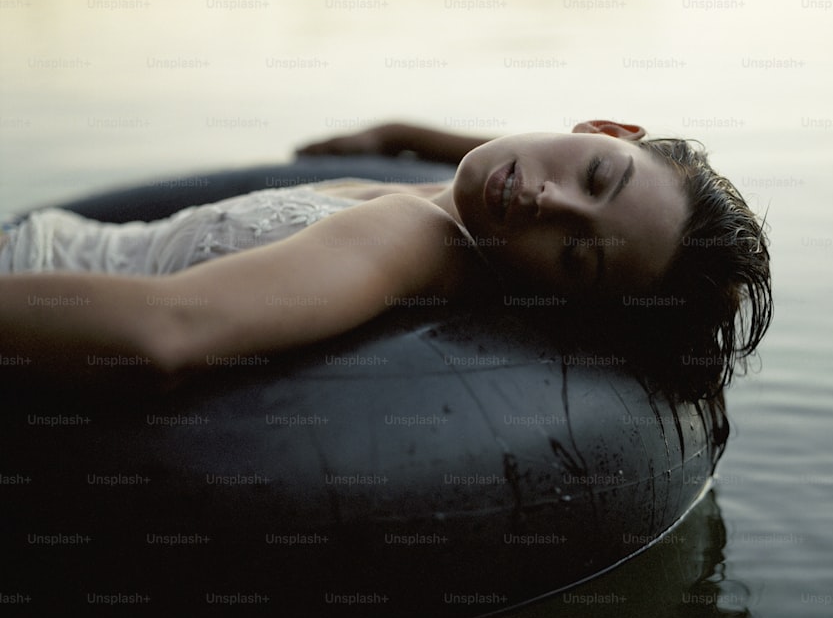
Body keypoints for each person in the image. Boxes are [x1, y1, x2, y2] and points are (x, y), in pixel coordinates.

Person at [0, 120, 771, 399]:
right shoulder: (489, 202)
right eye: (597, 173)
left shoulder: (413, 241)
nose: (547, 200)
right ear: (605, 126)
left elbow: (162, 338)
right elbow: (494, 155)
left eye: (576, 255)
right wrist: (396, 131)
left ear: (557, 301)